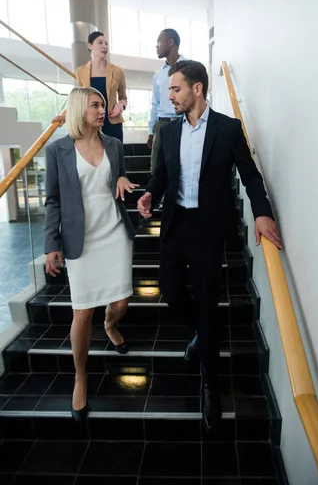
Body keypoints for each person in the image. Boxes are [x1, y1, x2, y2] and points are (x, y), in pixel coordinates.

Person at [137, 60, 281, 431]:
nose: (169, 96)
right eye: (169, 90)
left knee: (208, 305)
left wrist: (262, 213)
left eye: (176, 89)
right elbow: (161, 175)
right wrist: (151, 193)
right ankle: (200, 332)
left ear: (197, 89)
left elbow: (249, 173)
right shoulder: (169, 132)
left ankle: (211, 387)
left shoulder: (228, 129)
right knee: (170, 291)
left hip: (207, 228)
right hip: (175, 223)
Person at [45, 87, 139, 422]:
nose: (103, 110)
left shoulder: (113, 144)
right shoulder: (58, 150)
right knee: (81, 314)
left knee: (121, 303)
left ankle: (111, 325)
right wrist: (51, 245)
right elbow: (53, 200)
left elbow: (120, 175)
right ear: (78, 110)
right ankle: (80, 377)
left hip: (114, 232)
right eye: (95, 105)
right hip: (79, 240)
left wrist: (124, 178)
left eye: (103, 105)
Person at [53, 31, 128, 142]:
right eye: (100, 43)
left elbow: (123, 98)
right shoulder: (81, 71)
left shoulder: (118, 71)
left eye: (106, 44)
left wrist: (120, 105)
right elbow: (79, 100)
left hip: (112, 123)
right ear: (90, 46)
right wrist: (68, 117)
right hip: (90, 123)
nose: (104, 46)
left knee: (114, 157)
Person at [148, 29, 186, 174]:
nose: (156, 46)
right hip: (161, 125)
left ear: (170, 42)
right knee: (156, 170)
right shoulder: (158, 74)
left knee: (181, 169)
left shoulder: (189, 67)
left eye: (159, 42)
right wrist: (151, 131)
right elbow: (155, 103)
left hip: (183, 122)